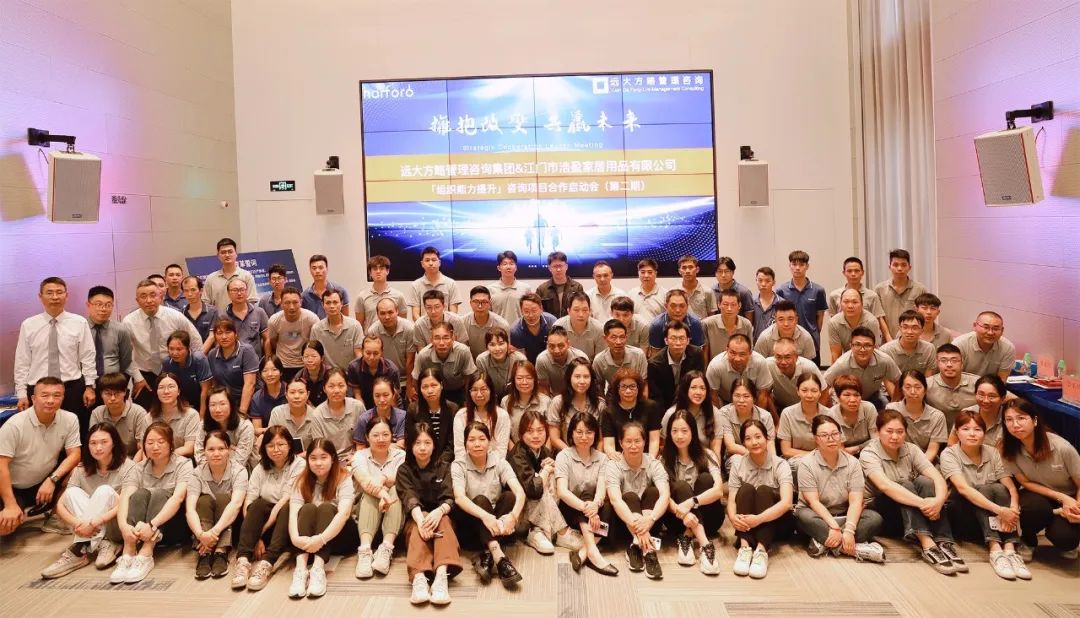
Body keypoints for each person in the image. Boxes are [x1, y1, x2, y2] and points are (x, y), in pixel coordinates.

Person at [860, 410, 961, 575]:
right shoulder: (869, 453)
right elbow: (885, 486)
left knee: (925, 482)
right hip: (882, 508)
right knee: (905, 484)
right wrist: (923, 504)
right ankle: (927, 544)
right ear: (878, 432)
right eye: (889, 431)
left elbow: (937, 477)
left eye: (900, 432)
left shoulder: (911, 449)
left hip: (909, 509)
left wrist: (938, 501)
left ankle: (943, 541)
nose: (895, 436)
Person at [940, 410, 1028, 580]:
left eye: (977, 429)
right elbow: (963, 489)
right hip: (964, 516)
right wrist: (1000, 511)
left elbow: (1008, 484)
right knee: (984, 489)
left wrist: (1013, 507)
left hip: (994, 518)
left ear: (984, 433)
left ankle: (1010, 549)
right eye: (966, 429)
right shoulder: (949, 454)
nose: (972, 434)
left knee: (999, 489)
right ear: (957, 432)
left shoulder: (992, 452)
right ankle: (995, 549)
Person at [40, 423, 133, 578]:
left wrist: (95, 522)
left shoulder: (128, 466)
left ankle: (80, 548)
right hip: (86, 528)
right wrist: (78, 524)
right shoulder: (80, 469)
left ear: (114, 443)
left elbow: (127, 502)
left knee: (104, 490)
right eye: (93, 443)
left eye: (104, 442)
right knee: (71, 493)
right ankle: (97, 544)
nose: (98, 448)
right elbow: (61, 504)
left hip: (116, 525)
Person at [110, 422, 193, 584]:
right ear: (143, 446)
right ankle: (129, 551)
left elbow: (178, 498)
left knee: (160, 493)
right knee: (139, 494)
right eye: (150, 442)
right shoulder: (138, 468)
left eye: (161, 442)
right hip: (141, 530)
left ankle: (146, 553)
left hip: (173, 527)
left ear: (170, 444)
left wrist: (152, 525)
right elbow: (125, 497)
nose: (155, 447)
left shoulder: (183, 464)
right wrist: (124, 527)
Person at [794, 415, 885, 562]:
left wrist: (849, 530)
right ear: (816, 439)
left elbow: (856, 502)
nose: (831, 439)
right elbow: (813, 502)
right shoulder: (806, 464)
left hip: (844, 515)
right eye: (824, 435)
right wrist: (834, 527)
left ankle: (824, 542)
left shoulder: (853, 463)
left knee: (874, 519)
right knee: (803, 516)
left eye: (835, 434)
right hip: (817, 516)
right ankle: (854, 549)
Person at [0, 377, 82, 537]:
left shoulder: (70, 419)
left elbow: (75, 455)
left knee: (79, 470)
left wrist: (52, 480)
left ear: (63, 397)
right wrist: (10, 504)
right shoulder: (15, 424)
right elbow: (1, 464)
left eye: (57, 395)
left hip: (43, 482)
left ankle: (56, 517)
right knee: (6, 527)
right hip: (11, 487)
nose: (51, 400)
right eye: (45, 395)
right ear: (33, 398)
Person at [14, 277, 97, 432]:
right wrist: (21, 394)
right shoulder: (29, 325)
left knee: (74, 430)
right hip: (39, 390)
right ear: (40, 296)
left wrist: (90, 386)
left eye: (59, 292)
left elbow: (88, 357)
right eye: (49, 293)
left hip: (71, 388)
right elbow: (22, 362)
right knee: (39, 432)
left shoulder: (79, 322)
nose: (55, 297)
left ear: (67, 295)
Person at [1000, 399, 1080, 559]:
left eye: (1021, 418)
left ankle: (1057, 521)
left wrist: (1077, 509)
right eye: (1009, 420)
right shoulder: (1008, 448)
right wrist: (1060, 497)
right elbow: (1025, 482)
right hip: (1037, 494)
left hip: (1070, 495)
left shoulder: (1061, 447)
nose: (1015, 424)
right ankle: (1028, 541)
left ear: (1035, 420)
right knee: (1034, 509)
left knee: (1067, 540)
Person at [451, 421, 526, 587]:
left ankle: (487, 555)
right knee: (480, 500)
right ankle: (499, 557)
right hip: (471, 528)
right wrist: (485, 516)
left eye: (482, 439)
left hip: (497, 528)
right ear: (465, 444)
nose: (477, 444)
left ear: (489, 442)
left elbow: (520, 492)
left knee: (509, 497)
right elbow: (459, 498)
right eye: (471, 440)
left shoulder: (499, 461)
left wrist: (513, 517)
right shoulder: (458, 465)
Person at [231, 425, 306, 591]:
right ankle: (243, 561)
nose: (276, 450)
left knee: (287, 506)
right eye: (270, 445)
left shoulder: (300, 465)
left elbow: (284, 500)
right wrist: (255, 538)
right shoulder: (260, 468)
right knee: (257, 504)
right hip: (266, 522)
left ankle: (267, 562)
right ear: (264, 448)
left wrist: (259, 533)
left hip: (288, 522)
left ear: (290, 445)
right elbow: (249, 500)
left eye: (281, 444)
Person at [396, 422, 461, 605]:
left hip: (442, 517)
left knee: (445, 520)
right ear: (410, 446)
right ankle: (419, 579)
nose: (423, 448)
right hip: (415, 519)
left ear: (434, 445)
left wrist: (438, 512)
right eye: (417, 443)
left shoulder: (444, 466)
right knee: (419, 525)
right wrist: (421, 520)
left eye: (427, 442)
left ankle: (441, 575)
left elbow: (450, 498)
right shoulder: (403, 470)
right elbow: (409, 498)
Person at [287, 438, 359, 599]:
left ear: (332, 458)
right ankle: (300, 570)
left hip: (340, 537)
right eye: (313, 458)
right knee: (308, 508)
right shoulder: (301, 480)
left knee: (326, 507)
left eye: (323, 457)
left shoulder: (343, 477)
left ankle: (318, 569)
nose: (318, 463)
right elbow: (293, 513)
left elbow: (344, 514)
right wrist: (295, 538)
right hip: (309, 541)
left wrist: (321, 539)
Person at [726, 419, 795, 579]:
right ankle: (745, 548)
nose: (754, 442)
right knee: (746, 489)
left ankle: (761, 551)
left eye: (758, 437)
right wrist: (733, 517)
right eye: (748, 438)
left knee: (764, 490)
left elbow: (787, 503)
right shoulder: (738, 464)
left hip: (777, 523)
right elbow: (731, 500)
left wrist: (758, 519)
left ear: (767, 438)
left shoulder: (780, 464)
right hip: (749, 525)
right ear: (743, 442)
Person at [124, 278, 204, 410]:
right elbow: (125, 354)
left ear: (161, 296)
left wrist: (191, 366)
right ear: (137, 300)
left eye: (153, 295)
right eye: (143, 296)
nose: (149, 300)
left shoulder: (175, 316)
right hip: (145, 373)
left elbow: (196, 341)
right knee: (146, 413)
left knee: (180, 410)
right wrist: (138, 378)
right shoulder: (129, 322)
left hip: (175, 369)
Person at [661, 410, 725, 573]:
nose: (679, 436)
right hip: (678, 519)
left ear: (693, 432)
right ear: (669, 433)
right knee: (681, 486)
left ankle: (688, 537)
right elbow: (664, 497)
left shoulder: (707, 455)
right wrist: (683, 513)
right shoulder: (664, 459)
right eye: (674, 431)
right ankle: (705, 545)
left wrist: (691, 502)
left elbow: (718, 491)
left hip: (710, 518)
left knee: (705, 479)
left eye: (684, 431)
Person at [510, 411, 582, 556]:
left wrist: (553, 466)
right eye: (530, 431)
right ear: (521, 433)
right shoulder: (517, 454)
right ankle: (562, 532)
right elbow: (533, 491)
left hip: (540, 512)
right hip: (520, 510)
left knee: (556, 474)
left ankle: (538, 532)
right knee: (542, 477)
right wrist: (545, 471)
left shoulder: (544, 451)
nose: (536, 436)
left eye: (540, 430)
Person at [554, 412, 617, 575]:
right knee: (585, 495)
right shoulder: (563, 456)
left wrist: (595, 506)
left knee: (609, 507)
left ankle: (584, 552)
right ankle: (594, 553)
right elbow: (562, 492)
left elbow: (601, 490)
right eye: (579, 432)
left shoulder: (602, 459)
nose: (584, 437)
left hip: (593, 513)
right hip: (571, 510)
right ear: (571, 433)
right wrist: (587, 508)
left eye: (589, 432)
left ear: (595, 434)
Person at [607, 422, 670, 579]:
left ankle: (636, 546)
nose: (633, 446)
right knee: (629, 496)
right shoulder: (613, 466)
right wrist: (640, 528)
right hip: (625, 522)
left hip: (650, 522)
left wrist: (650, 519)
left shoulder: (654, 463)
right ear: (621, 443)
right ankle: (648, 550)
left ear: (644, 442)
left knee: (653, 492)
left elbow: (665, 495)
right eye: (628, 441)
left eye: (637, 441)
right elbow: (615, 500)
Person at [185, 430, 248, 579]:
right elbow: (190, 509)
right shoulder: (197, 473)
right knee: (203, 500)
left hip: (231, 524)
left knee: (223, 498)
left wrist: (213, 533)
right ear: (204, 452)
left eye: (221, 449)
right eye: (211, 449)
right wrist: (201, 535)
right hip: (204, 527)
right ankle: (205, 552)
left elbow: (236, 504)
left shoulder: (239, 471)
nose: (216, 453)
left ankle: (221, 551)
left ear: (229, 450)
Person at [351, 417, 405, 579]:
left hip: (395, 511)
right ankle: (365, 550)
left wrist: (383, 480)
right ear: (367, 437)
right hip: (364, 509)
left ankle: (386, 548)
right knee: (370, 492)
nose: (381, 439)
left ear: (392, 436)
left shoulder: (401, 455)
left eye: (385, 434)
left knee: (396, 488)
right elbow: (365, 482)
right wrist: (383, 495)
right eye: (375, 435)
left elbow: (400, 478)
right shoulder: (359, 456)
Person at [823, 327, 901, 408]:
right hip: (847, 398)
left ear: (874, 347)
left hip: (873, 396)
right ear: (851, 346)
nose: (862, 350)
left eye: (867, 345)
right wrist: (828, 409)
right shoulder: (842, 364)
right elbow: (824, 384)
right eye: (857, 345)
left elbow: (899, 380)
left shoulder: (884, 360)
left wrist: (895, 402)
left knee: (887, 411)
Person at [775, 250, 828, 364]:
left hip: (811, 342)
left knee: (811, 373)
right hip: (787, 342)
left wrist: (813, 332)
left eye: (801, 264)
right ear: (789, 266)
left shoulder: (818, 290)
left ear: (807, 266)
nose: (797, 268)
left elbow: (820, 318)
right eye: (794, 264)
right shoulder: (781, 290)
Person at [85, 286, 139, 396]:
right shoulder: (80, 328)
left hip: (113, 384)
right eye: (98, 304)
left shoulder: (121, 329)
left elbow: (125, 360)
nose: (103, 309)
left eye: (108, 305)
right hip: (86, 385)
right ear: (88, 305)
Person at [886, 371, 948, 462]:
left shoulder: (937, 416)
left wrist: (918, 467)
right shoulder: (891, 410)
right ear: (902, 390)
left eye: (918, 387)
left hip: (927, 462)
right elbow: (888, 443)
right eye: (907, 387)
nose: (912, 391)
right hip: (898, 460)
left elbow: (932, 450)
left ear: (925, 390)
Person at [546, 358, 606, 451]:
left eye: (586, 377)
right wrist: (572, 455)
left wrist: (596, 457)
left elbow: (601, 440)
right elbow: (554, 438)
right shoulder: (558, 402)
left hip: (593, 454)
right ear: (569, 378)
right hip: (566, 453)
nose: (582, 381)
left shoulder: (600, 404)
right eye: (577, 376)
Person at [602, 368, 662, 458]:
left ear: (639, 388)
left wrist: (650, 460)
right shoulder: (608, 412)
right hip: (620, 459)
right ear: (617, 389)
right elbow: (609, 445)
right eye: (623, 386)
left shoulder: (651, 407)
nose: (628, 391)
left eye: (632, 386)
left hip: (646, 457)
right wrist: (615, 457)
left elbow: (654, 440)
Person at [89, 373, 151, 460]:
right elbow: (94, 443)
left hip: (131, 459)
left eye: (117, 393)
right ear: (101, 394)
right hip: (104, 459)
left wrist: (132, 466)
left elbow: (142, 447)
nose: (113, 398)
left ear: (125, 392)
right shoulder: (97, 413)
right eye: (108, 394)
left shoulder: (138, 413)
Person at [412, 322, 476, 405]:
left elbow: (469, 377)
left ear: (453, 338)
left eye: (446, 338)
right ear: (431, 340)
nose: (441, 343)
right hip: (433, 392)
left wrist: (468, 399)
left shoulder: (463, 352)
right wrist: (422, 400)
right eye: (437, 338)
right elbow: (416, 379)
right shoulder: (423, 355)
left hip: (459, 390)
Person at [646, 319, 704, 411]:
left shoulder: (697, 355)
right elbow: (656, 397)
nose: (678, 343)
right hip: (665, 405)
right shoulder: (654, 364)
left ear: (688, 340)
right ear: (666, 340)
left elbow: (699, 383)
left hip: (691, 401)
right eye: (673, 338)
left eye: (682, 338)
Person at [717, 378, 775, 470]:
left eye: (746, 396)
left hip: (762, 457)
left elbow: (770, 444)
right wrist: (755, 456)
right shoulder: (724, 413)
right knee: (738, 461)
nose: (741, 400)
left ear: (754, 398)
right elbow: (731, 446)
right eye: (737, 396)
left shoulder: (765, 416)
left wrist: (772, 462)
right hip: (736, 456)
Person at [705, 334, 774, 409]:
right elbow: (713, 396)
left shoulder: (760, 362)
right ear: (727, 350)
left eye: (742, 354)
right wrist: (719, 415)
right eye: (733, 353)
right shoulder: (715, 366)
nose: (737, 359)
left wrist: (758, 414)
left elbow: (763, 394)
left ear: (750, 353)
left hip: (752, 402)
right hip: (724, 402)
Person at [453, 372, 511, 461]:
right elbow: (460, 451)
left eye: (483, 389)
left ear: (491, 391)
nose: (479, 394)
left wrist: (487, 467)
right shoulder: (461, 415)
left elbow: (501, 451)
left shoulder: (502, 415)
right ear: (469, 392)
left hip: (495, 465)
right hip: (467, 465)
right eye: (474, 390)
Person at [207, 318, 259, 417]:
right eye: (219, 333)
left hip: (248, 402)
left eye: (228, 332)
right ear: (215, 336)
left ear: (235, 334)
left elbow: (250, 384)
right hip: (225, 402)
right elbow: (214, 384)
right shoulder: (212, 354)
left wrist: (242, 412)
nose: (224, 337)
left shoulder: (246, 351)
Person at [778, 373, 832, 468]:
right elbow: (786, 450)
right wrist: (814, 457)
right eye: (804, 390)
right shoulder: (787, 413)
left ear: (820, 392)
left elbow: (834, 446)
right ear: (797, 391)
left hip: (824, 460)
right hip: (797, 462)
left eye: (814, 391)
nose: (809, 395)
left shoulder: (829, 414)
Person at [660, 371, 719, 456]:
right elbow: (664, 445)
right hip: (677, 459)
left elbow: (716, 450)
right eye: (693, 387)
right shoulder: (671, 413)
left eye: (702, 388)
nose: (698, 392)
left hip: (704, 459)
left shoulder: (714, 412)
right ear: (685, 389)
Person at [873, 249, 928, 338]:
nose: (899, 268)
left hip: (913, 339)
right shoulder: (879, 289)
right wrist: (888, 338)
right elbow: (879, 316)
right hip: (886, 340)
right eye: (895, 265)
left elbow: (923, 317)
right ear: (889, 267)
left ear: (909, 267)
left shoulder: (920, 289)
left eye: (903, 265)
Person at [266, 287, 319, 380]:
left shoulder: (312, 319)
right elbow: (273, 341)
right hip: (283, 364)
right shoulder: (273, 321)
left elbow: (316, 344)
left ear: (301, 302)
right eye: (287, 303)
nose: (291, 307)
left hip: (306, 364)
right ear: (281, 304)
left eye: (295, 302)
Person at [195, 387, 255, 468]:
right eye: (212, 405)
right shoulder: (203, 425)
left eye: (222, 404)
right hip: (208, 470)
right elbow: (199, 455)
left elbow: (240, 461)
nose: (217, 410)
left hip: (241, 471)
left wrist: (212, 453)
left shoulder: (245, 426)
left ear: (231, 405)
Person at [827, 258, 887, 337]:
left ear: (862, 272)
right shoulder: (834, 295)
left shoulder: (872, 295)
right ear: (844, 273)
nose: (853, 274)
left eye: (857, 271)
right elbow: (833, 319)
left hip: (865, 338)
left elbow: (878, 319)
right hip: (843, 338)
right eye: (849, 271)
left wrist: (888, 338)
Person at [314, 368, 363, 464]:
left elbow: (365, 439)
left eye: (341, 386)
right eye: (331, 386)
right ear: (324, 389)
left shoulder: (358, 407)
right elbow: (319, 448)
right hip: (329, 461)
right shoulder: (317, 414)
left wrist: (356, 456)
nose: (336, 390)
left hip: (356, 458)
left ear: (347, 387)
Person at [408, 369, 458, 464]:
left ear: (441, 385)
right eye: (425, 387)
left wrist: (439, 464)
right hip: (420, 460)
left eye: (434, 385)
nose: (430, 391)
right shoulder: (413, 410)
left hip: (446, 462)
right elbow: (410, 440)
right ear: (420, 389)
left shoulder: (452, 409)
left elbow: (452, 444)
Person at [925, 343, 979, 427]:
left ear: (962, 363)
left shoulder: (977, 383)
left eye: (954, 360)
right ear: (937, 363)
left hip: (971, 431)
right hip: (938, 432)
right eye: (943, 360)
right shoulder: (927, 385)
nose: (949, 365)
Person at [309, 289, 364, 370]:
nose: (332, 306)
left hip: (349, 373)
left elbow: (358, 353)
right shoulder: (316, 329)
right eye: (328, 303)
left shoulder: (355, 326)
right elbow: (313, 353)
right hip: (327, 374)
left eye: (335, 302)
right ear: (322, 305)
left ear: (341, 304)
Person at [162, 329, 213, 416]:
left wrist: (202, 416)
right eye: (171, 349)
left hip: (201, 403)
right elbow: (168, 389)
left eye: (179, 349)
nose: (174, 353)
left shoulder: (199, 359)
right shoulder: (167, 362)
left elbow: (205, 390)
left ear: (188, 348)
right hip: (181, 403)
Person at [147, 373, 199, 458]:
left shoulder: (191, 415)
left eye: (171, 387)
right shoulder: (149, 417)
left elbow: (189, 448)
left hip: (182, 461)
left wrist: (165, 456)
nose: (166, 391)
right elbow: (146, 449)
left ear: (178, 391)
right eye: (161, 387)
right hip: (155, 461)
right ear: (156, 392)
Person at [765, 337, 826, 410]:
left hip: (806, 407)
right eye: (778, 357)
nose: (783, 362)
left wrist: (815, 414)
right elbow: (765, 394)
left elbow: (824, 393)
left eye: (787, 357)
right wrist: (776, 417)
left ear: (796, 357)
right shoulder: (768, 365)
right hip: (780, 406)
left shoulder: (809, 367)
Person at [952, 311, 1016, 380]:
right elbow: (953, 376)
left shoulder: (1008, 348)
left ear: (1002, 330)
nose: (990, 333)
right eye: (986, 327)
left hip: (991, 385)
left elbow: (1001, 380)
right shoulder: (959, 345)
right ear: (975, 326)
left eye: (995, 328)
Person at [367, 297, 416, 386]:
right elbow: (375, 361)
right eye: (382, 313)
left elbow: (410, 360)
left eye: (390, 312)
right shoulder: (373, 331)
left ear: (397, 311)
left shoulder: (409, 329)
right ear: (377, 315)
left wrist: (409, 385)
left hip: (407, 377)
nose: (387, 317)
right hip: (384, 379)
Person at [948, 375, 1008, 448]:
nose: (985, 401)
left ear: (1002, 398)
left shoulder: (1009, 417)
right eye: (981, 395)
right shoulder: (966, 413)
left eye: (992, 396)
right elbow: (952, 441)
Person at [268, 378, 322, 455]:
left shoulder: (316, 415)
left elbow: (318, 446)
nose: (296, 396)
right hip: (281, 457)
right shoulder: (277, 413)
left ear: (308, 394)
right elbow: (271, 441)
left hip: (309, 459)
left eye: (301, 392)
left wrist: (296, 458)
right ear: (286, 395)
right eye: (292, 392)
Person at [218, 278, 270, 359]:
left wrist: (268, 360)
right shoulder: (223, 316)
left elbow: (267, 338)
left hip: (256, 360)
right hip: (233, 360)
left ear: (247, 291)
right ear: (228, 293)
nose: (239, 293)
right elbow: (219, 342)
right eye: (235, 290)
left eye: (242, 290)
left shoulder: (259, 312)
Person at [592, 319, 648, 392]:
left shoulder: (639, 355)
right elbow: (598, 387)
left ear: (626, 337)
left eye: (622, 337)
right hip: (613, 394)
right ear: (605, 339)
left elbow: (644, 382)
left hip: (635, 393)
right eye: (613, 337)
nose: (618, 342)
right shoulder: (599, 360)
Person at [828, 375, 879, 454]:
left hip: (870, 452)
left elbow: (876, 441)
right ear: (838, 397)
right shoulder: (832, 414)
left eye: (856, 395)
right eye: (847, 395)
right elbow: (839, 450)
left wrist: (857, 448)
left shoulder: (869, 408)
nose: (852, 400)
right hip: (842, 456)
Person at [348, 335, 402, 410]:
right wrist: (364, 414)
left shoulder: (392, 370)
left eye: (376, 353)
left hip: (387, 403)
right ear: (362, 351)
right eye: (368, 353)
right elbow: (357, 395)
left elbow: (393, 398)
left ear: (382, 352)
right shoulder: (354, 367)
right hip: (364, 403)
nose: (371, 357)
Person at [202, 237, 258, 309]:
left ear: (236, 254)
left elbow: (251, 302)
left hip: (243, 316)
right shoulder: (211, 278)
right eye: (223, 252)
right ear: (218, 255)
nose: (227, 255)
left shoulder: (246, 276)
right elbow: (206, 303)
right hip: (218, 316)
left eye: (230, 252)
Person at [827, 288, 882, 360]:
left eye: (855, 302)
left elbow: (874, 352)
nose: (850, 306)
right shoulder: (834, 323)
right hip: (846, 360)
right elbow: (835, 355)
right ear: (840, 304)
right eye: (846, 302)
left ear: (862, 304)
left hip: (867, 360)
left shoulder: (871, 322)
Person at [355, 255, 408, 329]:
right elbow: (359, 326)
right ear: (370, 272)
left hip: (393, 336)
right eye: (375, 269)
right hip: (371, 335)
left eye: (381, 268)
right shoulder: (362, 297)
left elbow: (402, 323)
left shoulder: (398, 296)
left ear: (387, 271)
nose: (378, 271)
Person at [647, 289, 705, 355]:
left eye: (682, 306)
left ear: (687, 307)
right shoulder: (657, 325)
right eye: (673, 306)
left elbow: (697, 354)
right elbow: (655, 355)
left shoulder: (695, 324)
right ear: (666, 306)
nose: (677, 310)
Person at [475, 327, 525, 402]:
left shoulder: (519, 359)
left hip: (516, 397)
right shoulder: (482, 360)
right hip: (491, 398)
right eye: (492, 345)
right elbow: (483, 387)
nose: (497, 349)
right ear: (487, 347)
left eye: (501, 344)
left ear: (508, 344)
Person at [409, 247, 461, 319]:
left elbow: (453, 313)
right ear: (422, 264)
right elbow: (415, 314)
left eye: (434, 260)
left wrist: (444, 326)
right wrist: (424, 325)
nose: (431, 263)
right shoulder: (415, 285)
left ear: (439, 262)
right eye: (427, 260)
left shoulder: (451, 283)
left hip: (445, 325)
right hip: (424, 325)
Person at [535, 326, 587, 396]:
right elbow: (544, 388)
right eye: (551, 346)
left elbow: (586, 384)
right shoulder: (542, 360)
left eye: (561, 346)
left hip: (578, 396)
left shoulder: (580, 357)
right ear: (547, 345)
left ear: (568, 344)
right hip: (554, 397)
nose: (556, 351)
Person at [701, 289, 753, 360]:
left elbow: (749, 350)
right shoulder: (707, 324)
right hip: (715, 365)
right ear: (719, 304)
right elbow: (704, 352)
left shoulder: (746, 324)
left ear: (739, 305)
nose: (729, 309)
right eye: (725, 304)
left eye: (733, 305)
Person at [509, 292, 559, 364]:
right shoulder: (515, 331)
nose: (531, 315)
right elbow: (520, 358)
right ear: (521, 311)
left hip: (550, 363)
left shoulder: (552, 322)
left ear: (541, 309)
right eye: (526, 311)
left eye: (534, 311)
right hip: (528, 365)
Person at [553, 292, 605, 359]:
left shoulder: (599, 329)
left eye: (585, 310)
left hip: (590, 364)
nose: (581, 314)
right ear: (568, 311)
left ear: (590, 311)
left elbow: (600, 359)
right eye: (576, 310)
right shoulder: (558, 326)